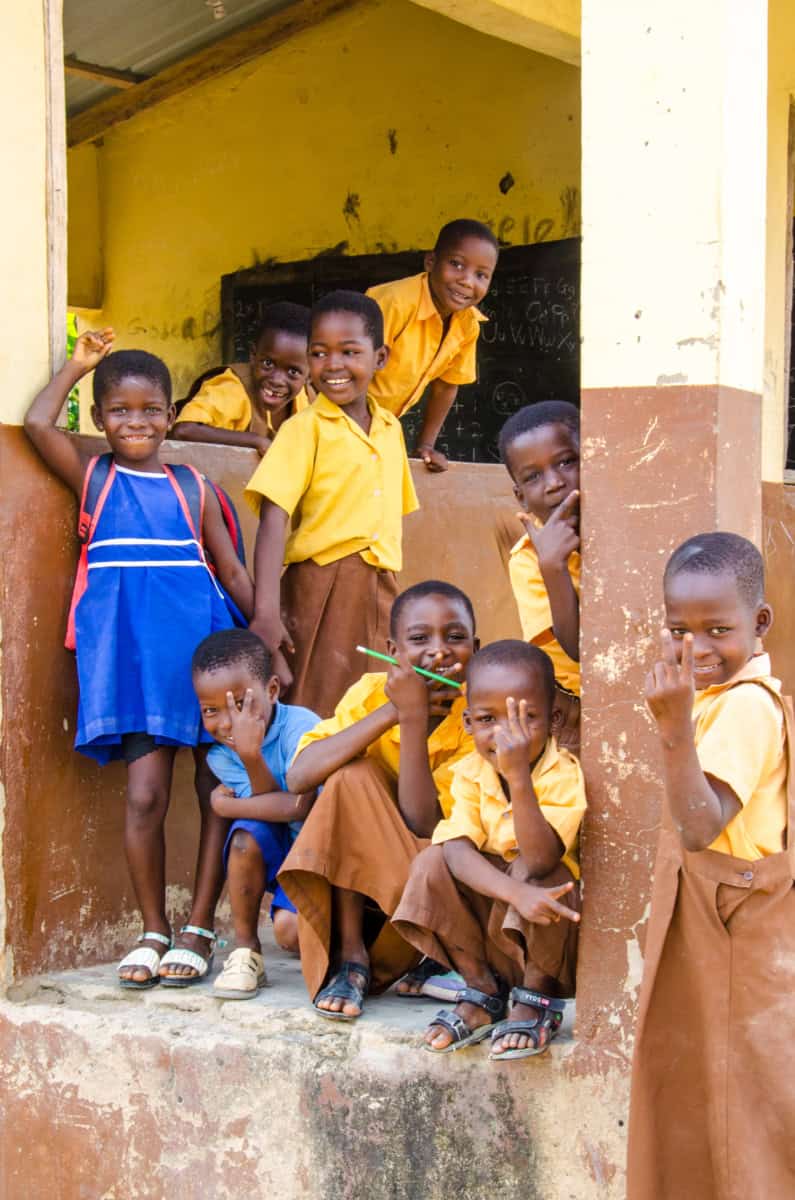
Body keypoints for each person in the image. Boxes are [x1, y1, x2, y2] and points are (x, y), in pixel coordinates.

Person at [23, 329, 254, 989]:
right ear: (98, 420)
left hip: (202, 663)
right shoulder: (94, 477)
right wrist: (76, 364)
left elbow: (232, 573)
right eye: (119, 410)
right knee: (146, 796)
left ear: (171, 415)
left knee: (214, 793)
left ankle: (200, 925)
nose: (136, 421)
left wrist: (266, 635)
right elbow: (40, 424)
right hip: (136, 668)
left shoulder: (194, 488)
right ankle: (153, 928)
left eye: (150, 408)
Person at [627, 533, 795, 1199]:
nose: (694, 649)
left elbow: (699, 827)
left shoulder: (746, 707)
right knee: (706, 1106)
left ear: (758, 625)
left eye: (715, 630)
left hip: (733, 936)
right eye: (678, 630)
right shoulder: (719, 696)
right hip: (711, 931)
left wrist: (672, 726)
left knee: (741, 1116)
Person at [278, 581, 479, 1019]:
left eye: (455, 637)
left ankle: (422, 958)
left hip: (429, 887)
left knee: (368, 785)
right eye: (420, 638)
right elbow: (299, 776)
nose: (439, 652)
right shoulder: (371, 692)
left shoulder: (476, 716)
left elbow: (423, 824)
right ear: (393, 650)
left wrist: (411, 720)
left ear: (476, 649)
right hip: (366, 897)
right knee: (350, 776)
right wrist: (392, 709)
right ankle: (352, 957)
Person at [393, 640, 585, 1058]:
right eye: (487, 719)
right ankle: (482, 989)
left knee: (544, 877)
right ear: (467, 722)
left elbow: (540, 859)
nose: (504, 736)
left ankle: (534, 1002)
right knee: (433, 859)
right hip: (498, 925)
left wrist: (518, 778)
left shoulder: (562, 773)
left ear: (553, 719)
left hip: (547, 943)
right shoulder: (469, 772)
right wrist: (514, 892)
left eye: (524, 719)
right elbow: (457, 852)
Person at [245, 290, 419, 717]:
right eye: (319, 353)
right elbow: (274, 518)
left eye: (349, 352)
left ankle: (352, 787)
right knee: (314, 706)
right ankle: (304, 786)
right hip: (321, 585)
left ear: (380, 357)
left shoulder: (389, 427)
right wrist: (266, 612)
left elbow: (389, 515)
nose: (333, 365)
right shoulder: (304, 429)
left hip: (380, 585)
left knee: (373, 704)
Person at [190, 630, 319, 999]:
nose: (228, 724)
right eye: (211, 711)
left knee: (290, 934)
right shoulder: (221, 756)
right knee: (246, 834)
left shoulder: (303, 728)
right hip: (282, 856)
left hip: (319, 855)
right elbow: (270, 812)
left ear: (273, 690)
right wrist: (247, 756)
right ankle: (246, 950)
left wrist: (226, 805)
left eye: (240, 705)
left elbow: (300, 806)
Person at [366, 219, 499, 472]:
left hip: (378, 426)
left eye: (481, 275)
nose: (467, 281)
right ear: (430, 262)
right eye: (456, 264)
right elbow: (349, 368)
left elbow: (447, 386)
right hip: (335, 415)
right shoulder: (395, 303)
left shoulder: (468, 324)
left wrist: (425, 445)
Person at [499, 401, 581, 751]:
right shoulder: (529, 561)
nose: (554, 483)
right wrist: (553, 566)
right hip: (575, 713)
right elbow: (579, 649)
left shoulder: (625, 537)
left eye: (567, 462)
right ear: (521, 497)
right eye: (533, 477)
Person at [172, 302, 311, 455]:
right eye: (268, 363)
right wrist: (255, 441)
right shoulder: (233, 388)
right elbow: (184, 430)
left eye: (293, 371)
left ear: (310, 373)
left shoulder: (307, 398)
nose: (277, 380)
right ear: (253, 354)